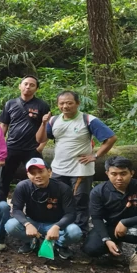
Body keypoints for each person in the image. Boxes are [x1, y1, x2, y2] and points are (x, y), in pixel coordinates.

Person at [35, 91, 117, 231]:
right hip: (58, 168)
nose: (65, 106)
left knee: (80, 201)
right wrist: (43, 124)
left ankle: (80, 231)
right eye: (62, 103)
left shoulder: (88, 120)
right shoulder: (54, 120)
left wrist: (95, 156)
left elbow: (111, 138)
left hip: (80, 169)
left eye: (69, 103)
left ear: (77, 103)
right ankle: (59, 229)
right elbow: (40, 139)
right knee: (56, 199)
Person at [84, 156, 137, 273]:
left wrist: (126, 222)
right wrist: (106, 239)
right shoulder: (98, 191)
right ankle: (115, 244)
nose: (119, 178)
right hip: (112, 228)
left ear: (131, 173)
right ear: (107, 173)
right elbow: (96, 218)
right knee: (91, 248)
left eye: (123, 173)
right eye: (114, 174)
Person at [5, 158, 82, 259]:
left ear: (49, 172)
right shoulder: (23, 186)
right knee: (10, 225)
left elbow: (71, 213)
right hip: (33, 222)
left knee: (75, 231)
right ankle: (32, 241)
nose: (37, 176)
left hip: (55, 223)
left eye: (41, 171)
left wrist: (57, 226)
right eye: (33, 173)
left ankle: (60, 245)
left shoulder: (63, 188)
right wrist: (27, 224)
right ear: (28, 175)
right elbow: (16, 210)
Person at [0, 76, 50, 190]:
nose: (28, 87)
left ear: (36, 89)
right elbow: (4, 125)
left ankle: (37, 203)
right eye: (25, 84)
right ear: (20, 86)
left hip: (32, 149)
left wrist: (40, 148)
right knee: (5, 178)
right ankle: (1, 204)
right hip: (11, 147)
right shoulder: (10, 104)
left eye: (32, 85)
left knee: (38, 177)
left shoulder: (42, 105)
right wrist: (0, 146)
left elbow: (46, 126)